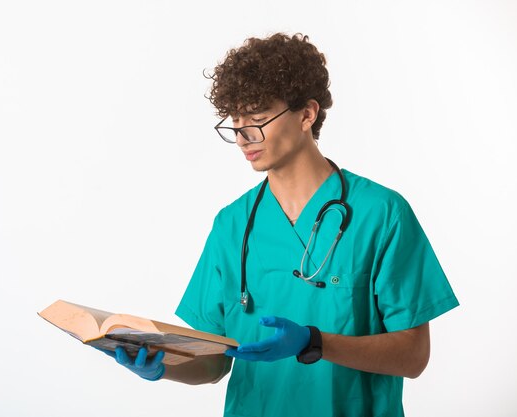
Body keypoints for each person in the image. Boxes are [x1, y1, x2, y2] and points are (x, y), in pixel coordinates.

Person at [102, 32, 459, 416]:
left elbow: (413, 356)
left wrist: (314, 342)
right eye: (236, 123)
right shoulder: (232, 225)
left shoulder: (381, 213)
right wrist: (162, 366)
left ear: (307, 114)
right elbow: (214, 362)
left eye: (257, 119)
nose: (243, 137)